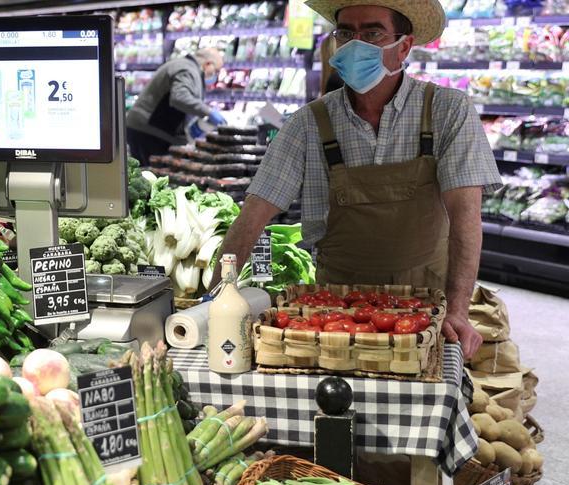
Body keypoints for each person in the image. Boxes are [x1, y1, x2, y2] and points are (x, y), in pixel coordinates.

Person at [212, 0, 497, 357]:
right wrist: (215, 298)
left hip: (425, 305)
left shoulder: (446, 111)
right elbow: (253, 216)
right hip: (335, 312)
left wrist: (457, 310)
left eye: (372, 33)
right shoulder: (308, 124)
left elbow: (466, 217)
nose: (355, 44)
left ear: (404, 46)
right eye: (346, 32)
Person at [125, 48, 228, 165]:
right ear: (208, 64)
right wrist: (208, 112)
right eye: (216, 70)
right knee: (150, 176)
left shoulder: (184, 65)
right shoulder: (187, 70)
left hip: (146, 128)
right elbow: (180, 97)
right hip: (148, 131)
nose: (215, 75)